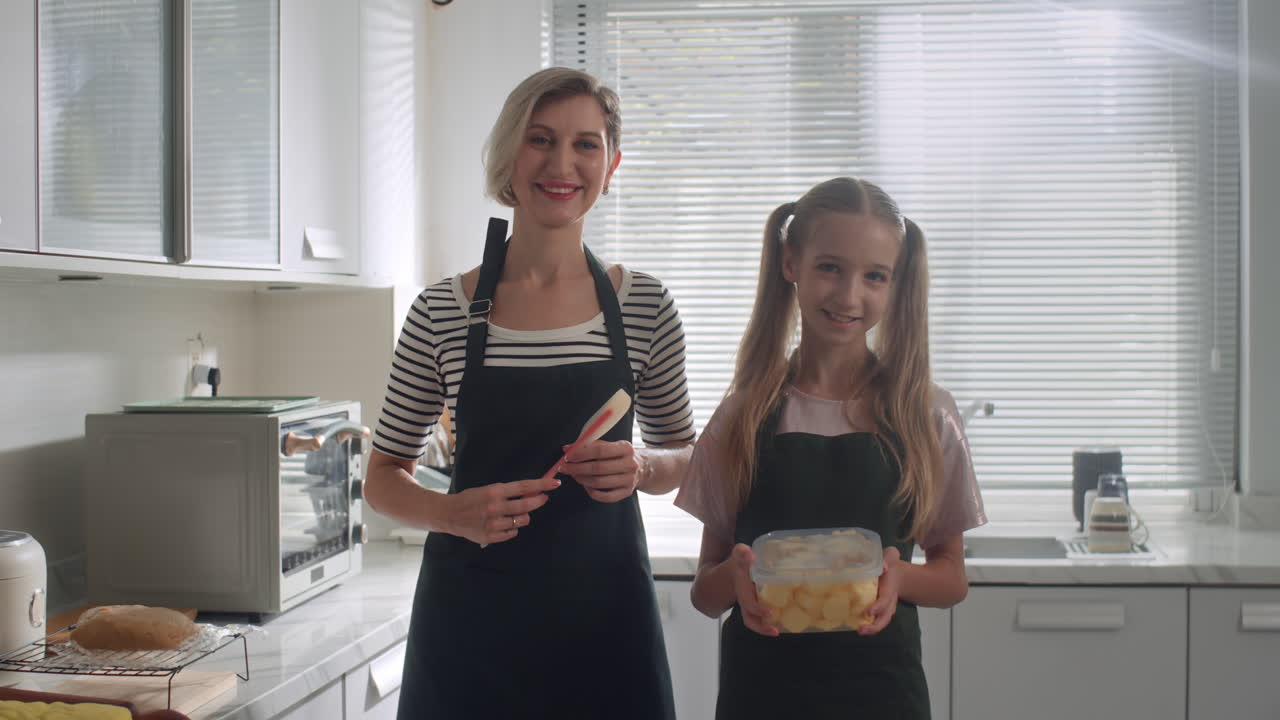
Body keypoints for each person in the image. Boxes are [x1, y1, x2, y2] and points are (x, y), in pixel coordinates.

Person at [362, 67, 696, 719]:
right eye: (541, 139)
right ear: (509, 155)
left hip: (606, 632)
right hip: (470, 639)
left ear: (612, 163)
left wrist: (644, 466)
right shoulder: (441, 312)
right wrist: (448, 513)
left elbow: (686, 453)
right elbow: (381, 477)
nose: (562, 163)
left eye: (586, 144)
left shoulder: (645, 307)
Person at [675, 177, 987, 719]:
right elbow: (705, 591)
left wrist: (899, 577)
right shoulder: (741, 416)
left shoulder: (927, 415)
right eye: (829, 267)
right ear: (791, 262)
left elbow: (952, 575)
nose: (849, 296)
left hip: (883, 696)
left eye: (874, 276)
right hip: (762, 697)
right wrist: (736, 578)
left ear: (896, 284)